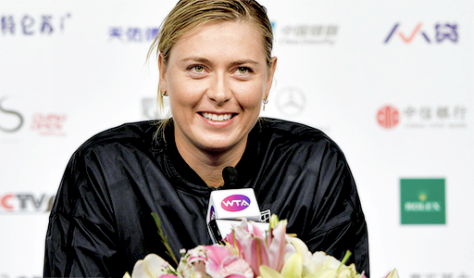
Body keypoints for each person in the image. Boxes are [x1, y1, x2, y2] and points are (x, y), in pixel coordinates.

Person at [44, 0, 370, 277]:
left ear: (269, 77)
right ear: (163, 72)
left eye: (242, 70)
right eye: (198, 68)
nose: (219, 93)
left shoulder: (313, 164)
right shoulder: (104, 168)